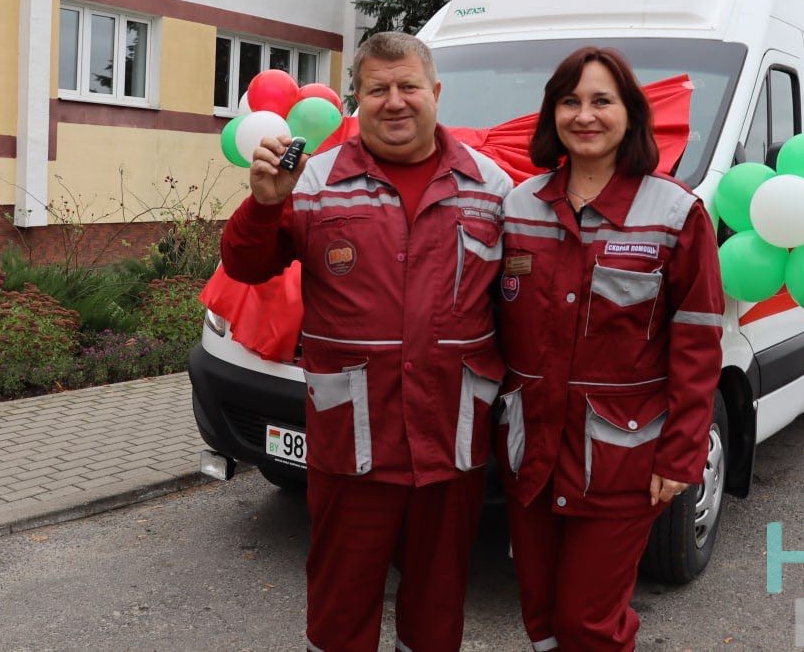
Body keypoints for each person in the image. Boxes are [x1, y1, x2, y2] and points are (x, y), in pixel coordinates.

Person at [220, 32, 513, 652]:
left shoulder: (491, 186)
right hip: (352, 439)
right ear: (356, 98)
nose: (395, 101)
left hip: (451, 440)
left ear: (436, 92)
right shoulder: (313, 180)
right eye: (378, 89)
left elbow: (520, 303)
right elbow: (248, 266)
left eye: (409, 86)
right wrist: (263, 206)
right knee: (341, 605)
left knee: (437, 608)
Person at [495, 46, 724, 651]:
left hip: (621, 457)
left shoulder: (675, 213)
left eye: (602, 100)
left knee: (587, 624)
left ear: (631, 114)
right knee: (541, 616)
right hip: (530, 449)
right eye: (570, 101)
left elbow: (698, 344)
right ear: (552, 113)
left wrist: (681, 455)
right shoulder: (517, 206)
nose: (585, 115)